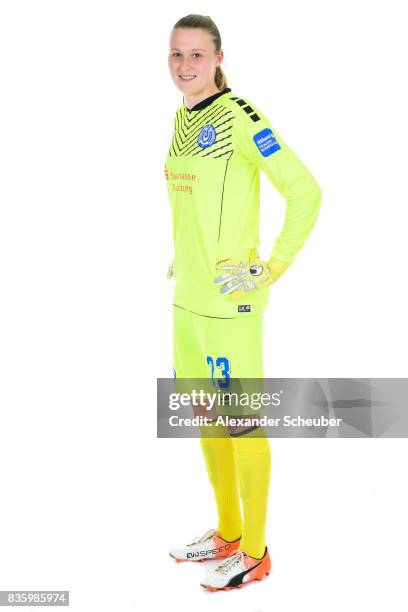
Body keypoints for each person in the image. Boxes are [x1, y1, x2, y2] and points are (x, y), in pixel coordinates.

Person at [165, 14, 322, 591]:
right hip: (188, 302)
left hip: (231, 307)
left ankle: (255, 553)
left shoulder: (240, 117)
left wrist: (271, 267)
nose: (185, 67)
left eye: (197, 56)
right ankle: (228, 532)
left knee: (242, 424)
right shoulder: (182, 119)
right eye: (176, 55)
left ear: (219, 57)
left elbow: (305, 189)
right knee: (206, 416)